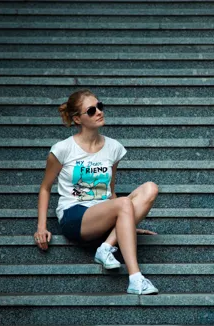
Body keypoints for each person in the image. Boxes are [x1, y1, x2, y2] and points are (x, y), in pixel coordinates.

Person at [34, 89, 160, 295]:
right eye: (91, 111)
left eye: (100, 106)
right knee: (123, 204)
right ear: (77, 119)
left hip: (102, 211)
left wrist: (127, 223)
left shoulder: (114, 147)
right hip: (74, 215)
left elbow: (111, 192)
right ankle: (136, 278)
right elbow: (45, 188)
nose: (99, 112)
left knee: (150, 188)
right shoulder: (63, 149)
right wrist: (41, 227)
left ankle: (106, 247)